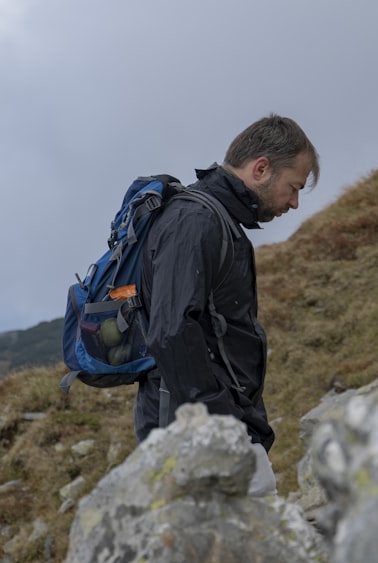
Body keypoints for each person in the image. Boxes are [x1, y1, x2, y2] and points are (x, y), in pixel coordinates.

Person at [134, 114, 319, 496]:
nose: (295, 202)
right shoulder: (195, 221)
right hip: (196, 441)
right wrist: (228, 436)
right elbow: (171, 332)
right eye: (293, 187)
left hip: (208, 432)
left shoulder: (214, 221)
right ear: (261, 168)